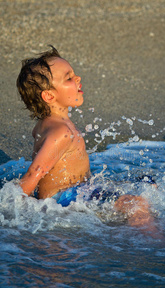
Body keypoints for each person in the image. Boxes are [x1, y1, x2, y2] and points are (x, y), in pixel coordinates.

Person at [17, 46, 157, 231]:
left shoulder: (51, 123)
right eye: (69, 78)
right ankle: (156, 243)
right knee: (134, 203)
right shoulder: (61, 132)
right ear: (49, 96)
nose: (78, 78)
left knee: (146, 182)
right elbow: (35, 172)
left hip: (80, 189)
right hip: (65, 198)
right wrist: (16, 208)